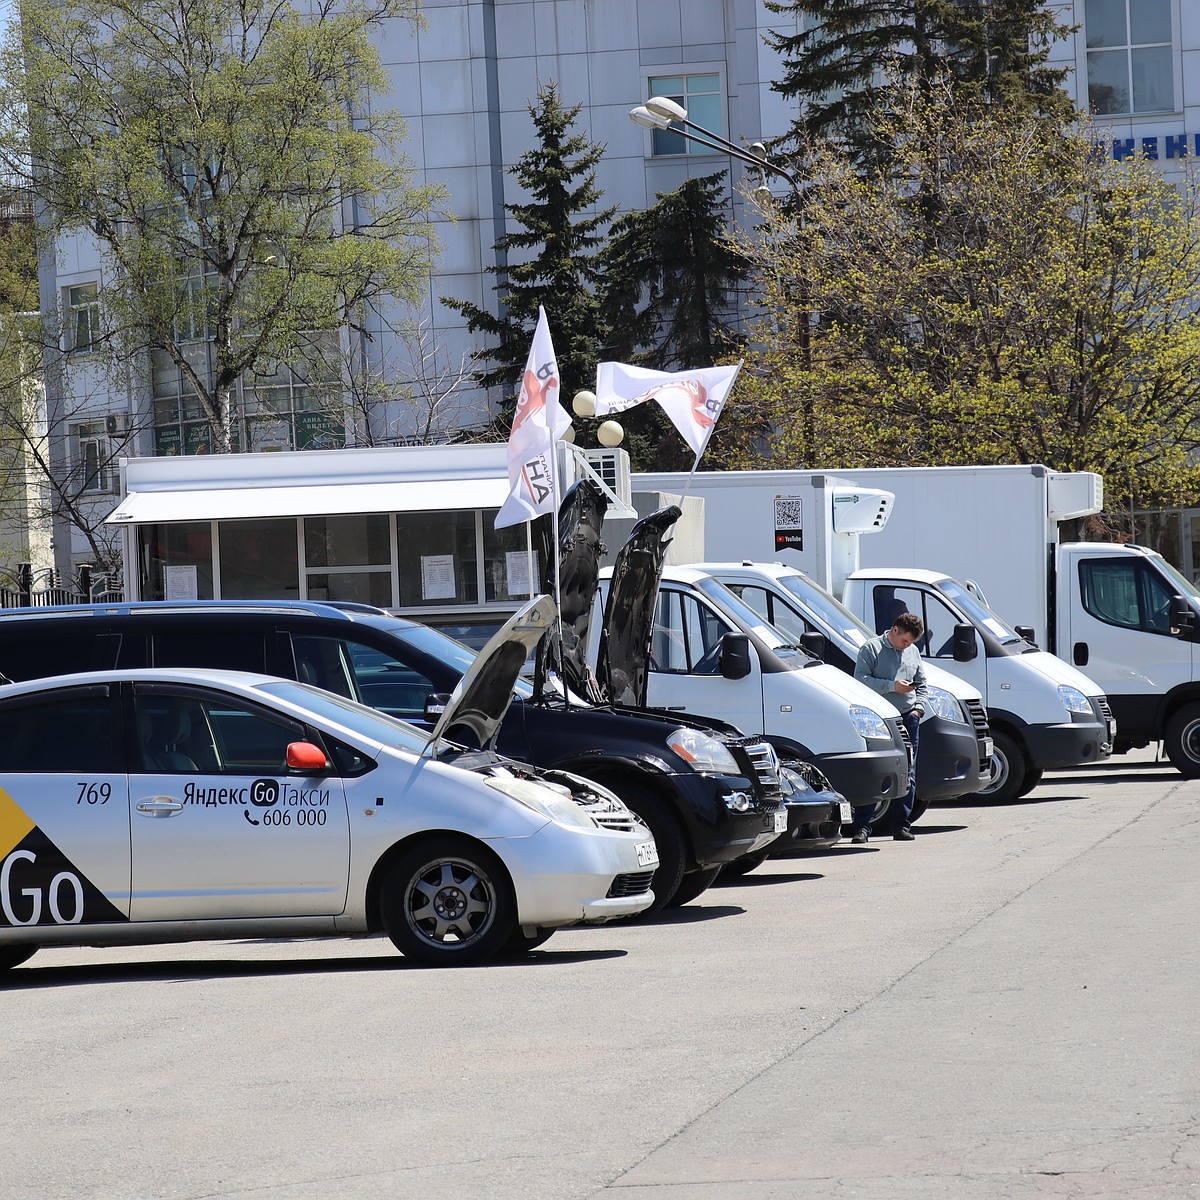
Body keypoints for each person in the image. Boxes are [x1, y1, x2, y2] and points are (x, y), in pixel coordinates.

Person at [850, 611, 928, 843]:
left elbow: (922, 683)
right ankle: (862, 827)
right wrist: (892, 686)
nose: (907, 646)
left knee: (908, 771)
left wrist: (919, 709)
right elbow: (860, 680)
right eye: (905, 640)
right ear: (895, 630)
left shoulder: (912, 651)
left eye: (911, 643)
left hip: (908, 716)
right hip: (878, 719)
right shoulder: (870, 649)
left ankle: (901, 826)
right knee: (875, 770)